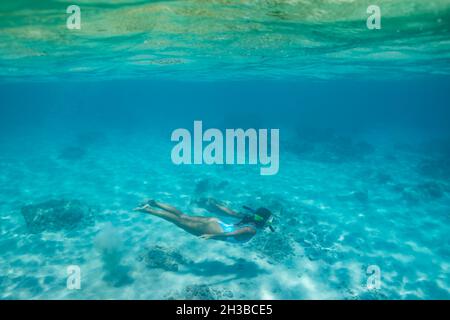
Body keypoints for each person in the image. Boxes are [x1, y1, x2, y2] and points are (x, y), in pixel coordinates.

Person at [133, 198, 274, 243]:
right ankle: (148, 210)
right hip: (215, 230)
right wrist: (212, 235)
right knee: (177, 221)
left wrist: (217, 205)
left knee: (183, 216)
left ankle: (155, 203)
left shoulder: (246, 217)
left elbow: (229, 212)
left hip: (216, 222)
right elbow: (233, 234)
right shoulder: (252, 230)